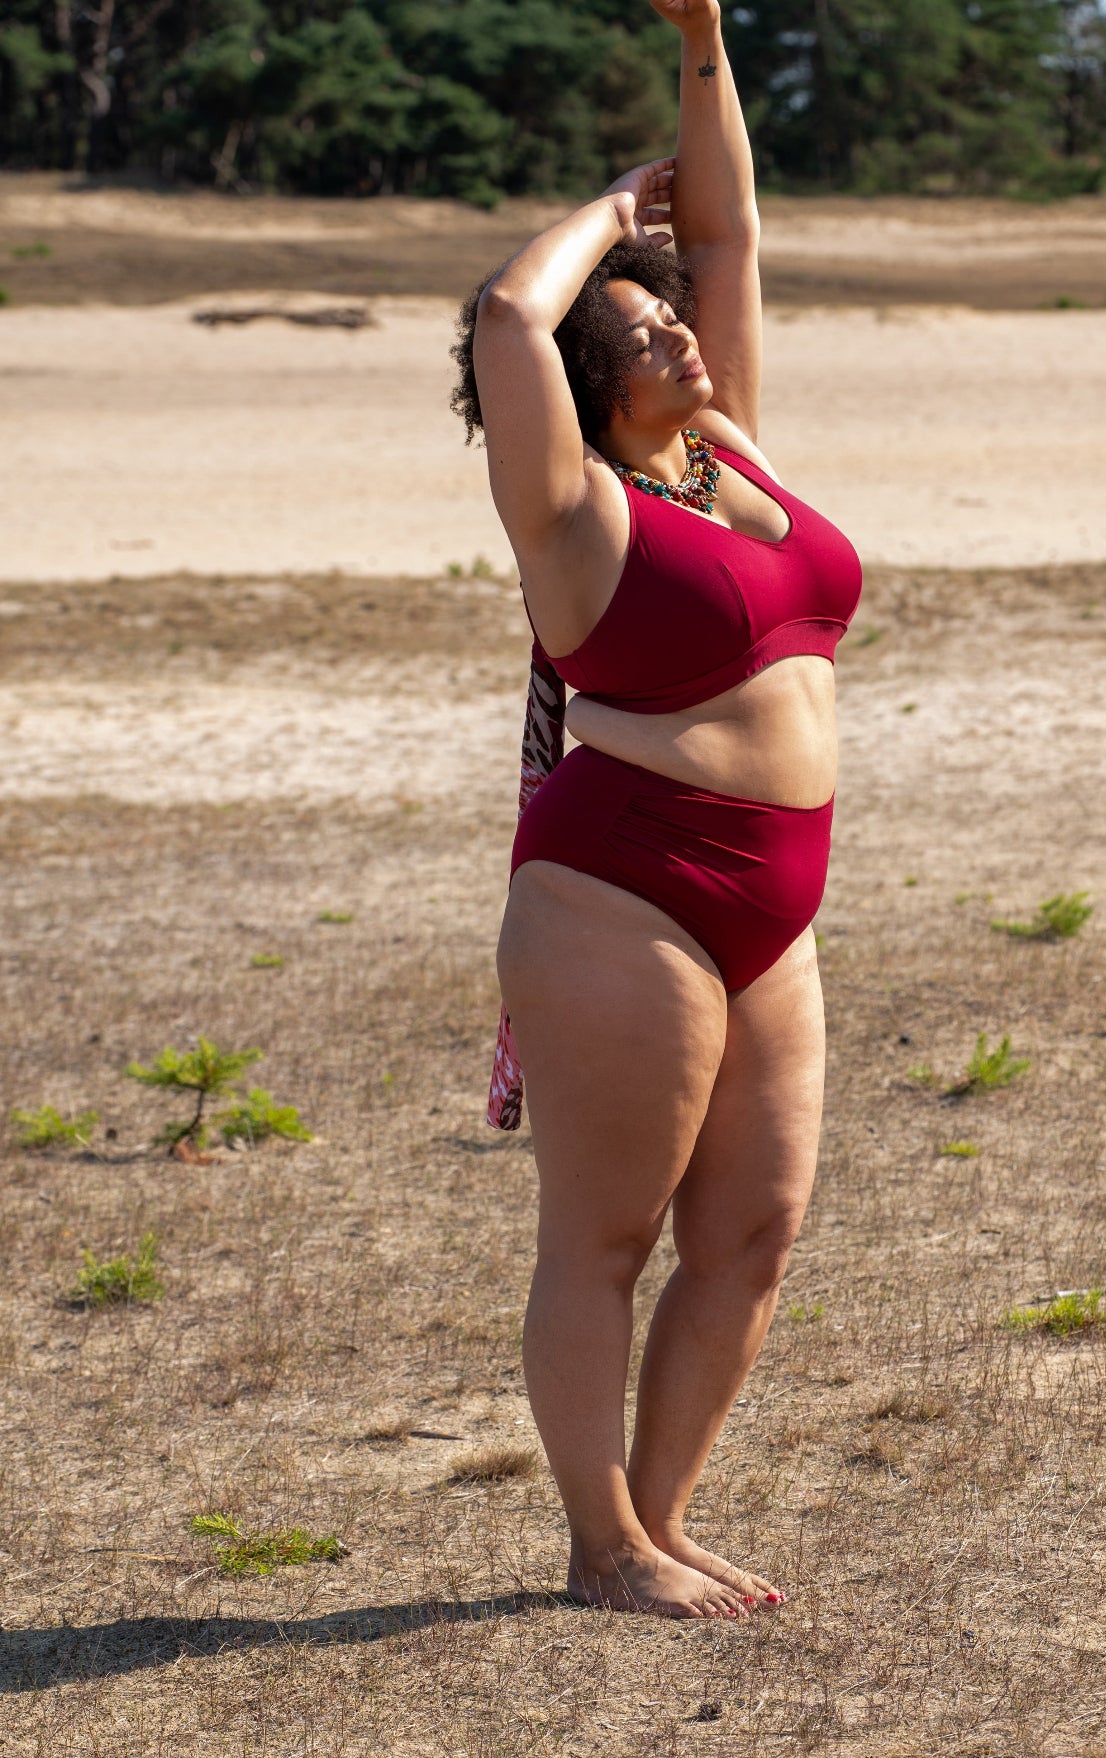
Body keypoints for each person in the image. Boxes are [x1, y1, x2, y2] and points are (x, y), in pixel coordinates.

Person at [450, 0, 861, 1620]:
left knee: (751, 1231)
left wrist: (700, 34)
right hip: (622, 892)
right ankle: (600, 1542)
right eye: (636, 338)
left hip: (778, 895)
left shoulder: (728, 442)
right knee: (604, 1240)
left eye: (672, 321)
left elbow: (736, 231)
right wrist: (608, 222)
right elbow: (501, 315)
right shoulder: (572, 512)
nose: (679, 339)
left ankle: (665, 1517)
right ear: (585, 388)